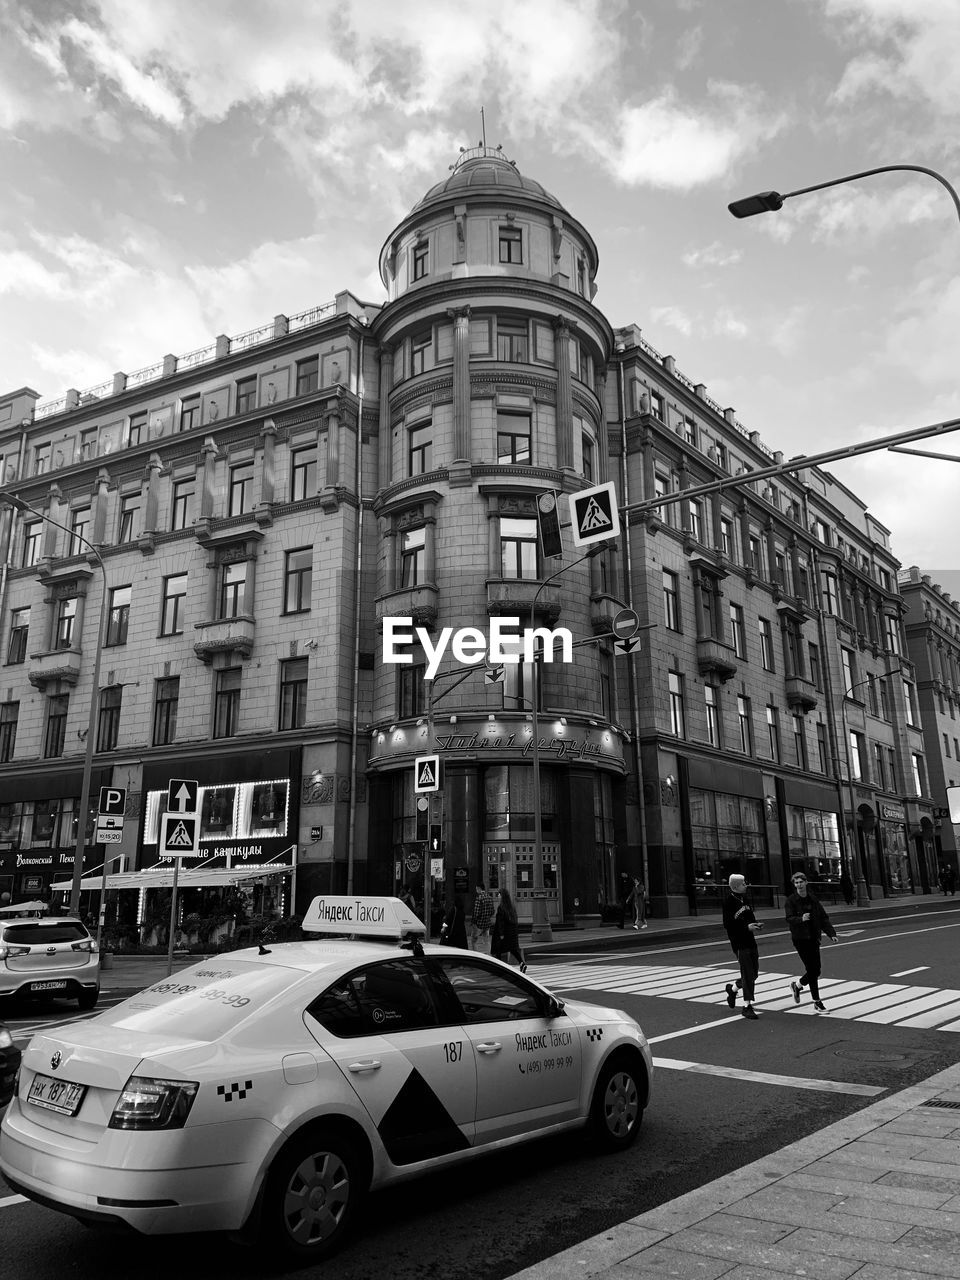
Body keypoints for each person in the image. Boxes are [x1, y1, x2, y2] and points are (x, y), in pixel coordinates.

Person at [785, 871, 838, 1012]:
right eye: (796, 882)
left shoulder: (813, 899)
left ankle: (797, 985)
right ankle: (817, 1001)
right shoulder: (791, 900)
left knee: (817, 970)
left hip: (813, 938)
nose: (799, 885)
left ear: (806, 882)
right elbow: (789, 918)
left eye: (801, 882)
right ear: (794, 885)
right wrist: (800, 919)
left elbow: (823, 918)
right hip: (800, 939)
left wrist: (831, 933)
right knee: (812, 970)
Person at [722, 874, 763, 1020]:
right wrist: (747, 927)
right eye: (743, 884)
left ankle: (732, 990)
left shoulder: (744, 899)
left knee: (754, 974)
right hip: (739, 942)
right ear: (735, 886)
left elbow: (749, 916)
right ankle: (747, 1006)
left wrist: (755, 924)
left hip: (750, 940)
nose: (746, 885)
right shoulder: (728, 902)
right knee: (747, 974)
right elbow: (728, 924)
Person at [491, 887, 526, 972]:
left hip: (503, 932)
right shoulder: (511, 907)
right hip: (512, 932)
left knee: (498, 949)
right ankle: (522, 963)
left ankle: (499, 968)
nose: (498, 896)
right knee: (512, 949)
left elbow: (500, 922)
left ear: (502, 896)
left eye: (499, 894)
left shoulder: (501, 907)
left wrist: (501, 934)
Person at [470, 880, 495, 953]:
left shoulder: (479, 898)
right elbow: (492, 911)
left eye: (476, 889)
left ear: (479, 888)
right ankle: (489, 955)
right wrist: (487, 916)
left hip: (479, 924)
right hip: (487, 923)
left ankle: (476, 955)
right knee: (486, 941)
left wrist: (474, 921)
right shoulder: (489, 897)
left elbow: (476, 912)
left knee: (474, 941)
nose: (476, 890)